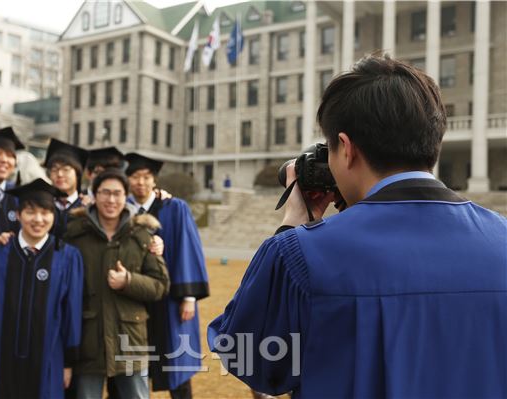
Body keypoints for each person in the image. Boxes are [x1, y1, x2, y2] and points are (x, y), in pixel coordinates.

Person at [208, 54, 507, 398]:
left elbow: (246, 356)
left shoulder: (302, 254)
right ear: (433, 143)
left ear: (346, 149)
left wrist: (291, 228)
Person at [64, 168, 170, 399]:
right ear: (94, 195)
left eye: (117, 193)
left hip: (130, 339)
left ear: (126, 196)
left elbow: (161, 285)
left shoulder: (141, 235)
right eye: (105, 193)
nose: (111, 200)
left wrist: (129, 281)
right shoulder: (75, 235)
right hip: (87, 340)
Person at [0, 178, 84, 399]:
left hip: (49, 358)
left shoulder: (68, 257)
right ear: (18, 215)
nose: (38, 219)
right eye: (30, 212)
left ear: (54, 216)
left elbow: (71, 314)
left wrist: (69, 362)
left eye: (45, 212)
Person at [125, 153, 209, 399]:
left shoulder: (175, 208)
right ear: (128, 180)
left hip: (171, 299)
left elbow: (187, 250)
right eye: (135, 177)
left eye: (146, 177)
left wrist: (189, 298)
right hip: (133, 298)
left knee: (176, 364)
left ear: (154, 180)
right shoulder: (122, 209)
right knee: (130, 368)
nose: (140, 182)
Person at [44, 138, 89, 237]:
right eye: (54, 169)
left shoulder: (87, 208)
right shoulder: (43, 204)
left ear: (77, 174)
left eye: (66, 169)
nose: (59, 174)